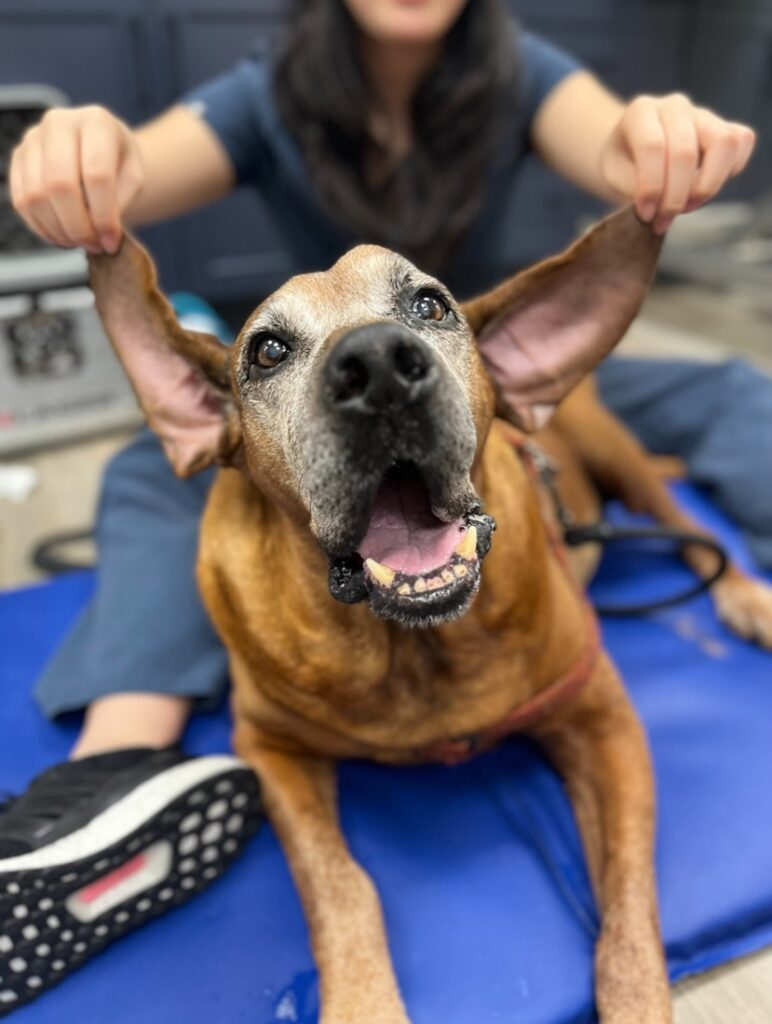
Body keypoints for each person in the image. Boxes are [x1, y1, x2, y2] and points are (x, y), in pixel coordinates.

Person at [3, 0, 769, 995]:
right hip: (303, 428)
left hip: (474, 369)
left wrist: (652, 142)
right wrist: (90, 155)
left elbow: (614, 140)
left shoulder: (522, 72)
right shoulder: (260, 93)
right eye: (269, 345)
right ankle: (116, 758)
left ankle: (721, 549)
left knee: (730, 389)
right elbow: (132, 167)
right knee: (148, 474)